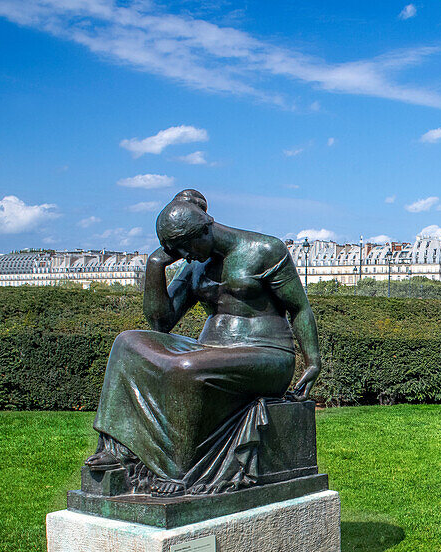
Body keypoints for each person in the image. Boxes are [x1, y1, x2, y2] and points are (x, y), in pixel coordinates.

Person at [84, 190, 321, 496]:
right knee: (127, 342)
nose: (184, 255)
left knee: (185, 366)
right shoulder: (194, 263)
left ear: (206, 228)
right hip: (210, 352)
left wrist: (313, 362)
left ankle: (176, 470)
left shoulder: (264, 249)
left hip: (267, 355)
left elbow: (299, 308)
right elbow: (161, 324)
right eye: (176, 250)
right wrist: (155, 266)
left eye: (186, 247)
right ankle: (118, 449)